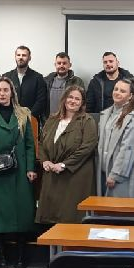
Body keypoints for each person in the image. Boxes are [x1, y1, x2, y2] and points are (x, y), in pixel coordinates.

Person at [0, 77, 38, 268]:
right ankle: (0, 254)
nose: (2, 93)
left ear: (12, 92)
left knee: (22, 213)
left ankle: (21, 254)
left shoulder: (23, 114)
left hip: (20, 171)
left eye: (5, 90)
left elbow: (30, 145)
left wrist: (31, 168)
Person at [36, 85, 98, 225]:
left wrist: (64, 165)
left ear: (82, 103)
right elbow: (41, 143)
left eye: (77, 99)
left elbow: (87, 147)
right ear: (64, 99)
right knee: (51, 219)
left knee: (70, 218)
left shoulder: (87, 121)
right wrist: (45, 161)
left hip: (74, 176)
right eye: (70, 97)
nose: (73, 101)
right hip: (52, 175)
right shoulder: (52, 119)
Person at [97, 78, 134, 197]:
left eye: (122, 91)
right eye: (116, 89)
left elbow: (128, 149)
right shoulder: (106, 114)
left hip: (122, 174)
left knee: (121, 206)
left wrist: (115, 174)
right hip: (104, 171)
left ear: (130, 96)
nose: (117, 93)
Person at [3, 45, 48, 125]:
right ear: (15, 57)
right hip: (9, 120)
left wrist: (28, 116)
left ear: (29, 58)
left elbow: (41, 101)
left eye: (24, 55)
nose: (21, 57)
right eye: (18, 55)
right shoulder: (6, 77)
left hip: (31, 120)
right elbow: (3, 98)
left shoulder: (38, 78)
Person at [43, 52, 85, 116]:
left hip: (69, 119)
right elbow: (41, 101)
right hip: (49, 119)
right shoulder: (46, 81)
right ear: (55, 65)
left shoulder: (77, 81)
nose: (61, 66)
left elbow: (82, 103)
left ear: (70, 65)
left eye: (64, 63)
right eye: (59, 63)